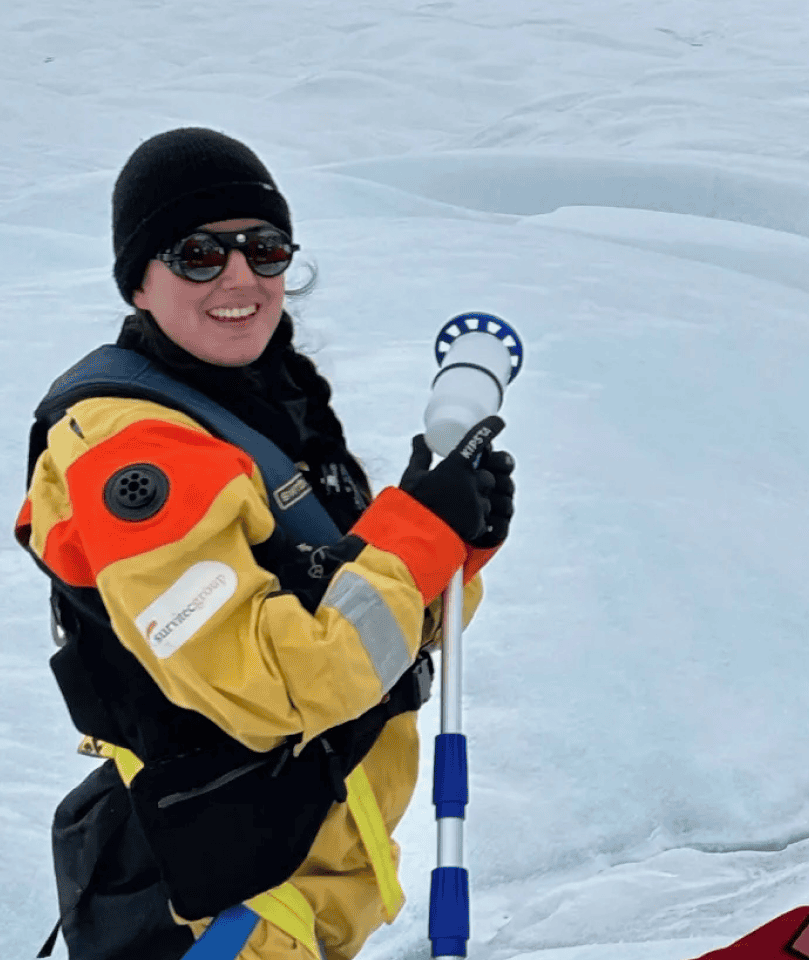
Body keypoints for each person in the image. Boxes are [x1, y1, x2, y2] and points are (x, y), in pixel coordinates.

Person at [16, 127, 515, 959]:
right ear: (139, 281)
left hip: (292, 885)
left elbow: (358, 626)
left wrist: (455, 546)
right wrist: (419, 534)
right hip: (223, 916)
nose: (240, 276)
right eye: (198, 253)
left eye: (265, 247)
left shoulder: (257, 412)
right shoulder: (134, 456)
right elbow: (273, 685)